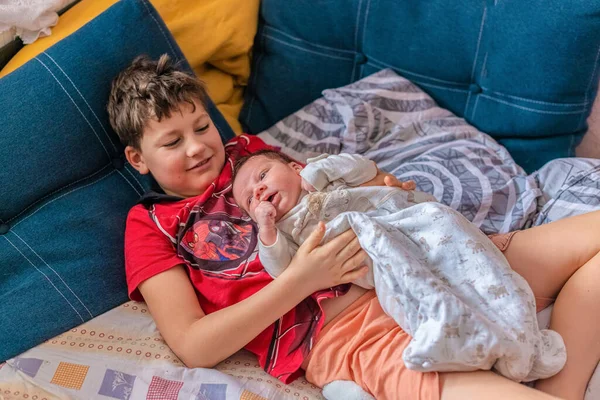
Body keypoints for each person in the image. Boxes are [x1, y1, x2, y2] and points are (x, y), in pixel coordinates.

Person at [107, 54, 600, 400]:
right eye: (172, 142)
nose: (196, 147)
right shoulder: (150, 225)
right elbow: (194, 345)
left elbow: (328, 185)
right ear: (137, 158)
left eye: (200, 126)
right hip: (352, 330)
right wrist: (303, 278)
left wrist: (382, 185)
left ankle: (562, 386)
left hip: (433, 257)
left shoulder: (249, 154)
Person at [230, 149, 566, 381]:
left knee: (448, 233)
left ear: (294, 168)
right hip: (376, 256)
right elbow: (280, 270)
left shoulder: (323, 176)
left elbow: (363, 167)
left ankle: (505, 314)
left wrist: (318, 171)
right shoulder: (284, 232)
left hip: (410, 220)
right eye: (250, 199)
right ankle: (448, 331)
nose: (258, 190)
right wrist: (268, 230)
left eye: (263, 175)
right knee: (402, 287)